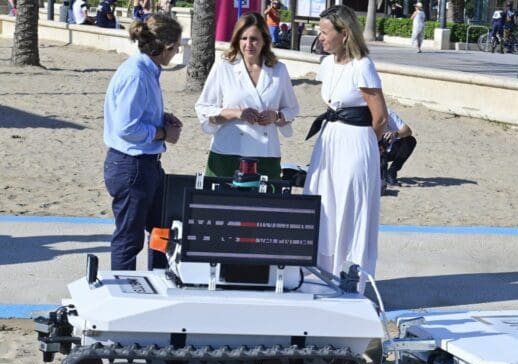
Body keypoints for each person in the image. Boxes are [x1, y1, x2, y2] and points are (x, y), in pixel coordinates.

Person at [304, 5, 388, 290]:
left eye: (325, 32)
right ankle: (321, 274)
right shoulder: (327, 64)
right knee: (324, 203)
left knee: (350, 208)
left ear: (345, 34)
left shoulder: (362, 66)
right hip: (329, 142)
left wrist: (366, 146)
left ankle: (352, 279)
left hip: (355, 144)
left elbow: (380, 118)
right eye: (320, 31)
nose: (320, 36)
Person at [103, 14, 183, 271]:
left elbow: (135, 114)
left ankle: (159, 282)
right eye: (177, 46)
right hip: (132, 166)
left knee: (162, 229)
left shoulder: (145, 71)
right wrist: (162, 133)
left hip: (144, 165)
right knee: (129, 239)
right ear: (167, 47)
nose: (178, 51)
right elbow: (126, 127)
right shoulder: (137, 75)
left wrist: (161, 118)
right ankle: (122, 290)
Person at [194, 13, 299, 180]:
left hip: (266, 155)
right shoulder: (224, 67)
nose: (248, 44)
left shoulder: (279, 70)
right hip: (227, 153)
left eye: (254, 39)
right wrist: (237, 113)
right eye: (244, 38)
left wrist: (276, 116)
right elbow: (204, 108)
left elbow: (292, 108)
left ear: (264, 40)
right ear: (237, 40)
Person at [380, 110, 416, 187]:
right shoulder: (362, 114)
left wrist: (395, 134)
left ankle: (392, 172)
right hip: (373, 151)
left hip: (389, 148)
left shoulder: (387, 112)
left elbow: (408, 131)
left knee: (410, 140)